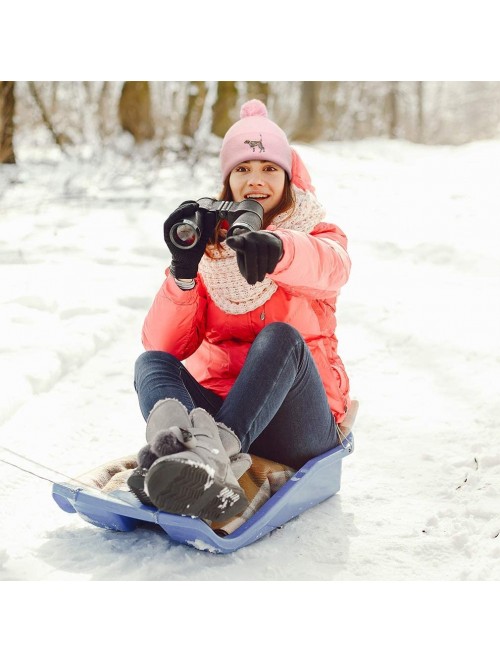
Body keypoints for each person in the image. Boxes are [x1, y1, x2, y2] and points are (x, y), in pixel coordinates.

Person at [127, 99, 352, 524]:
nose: (256, 180)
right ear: (227, 180)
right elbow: (166, 344)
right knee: (152, 362)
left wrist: (280, 248)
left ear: (288, 177)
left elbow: (331, 267)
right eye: (243, 169)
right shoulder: (211, 245)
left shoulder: (317, 233)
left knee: (281, 339)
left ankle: (216, 458)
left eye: (269, 168)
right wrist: (184, 273)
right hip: (224, 408)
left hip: (298, 424)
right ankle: (172, 453)